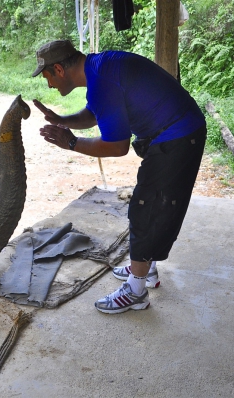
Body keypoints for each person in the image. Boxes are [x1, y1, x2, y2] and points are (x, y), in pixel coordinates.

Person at [32, 40, 207, 315]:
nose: (49, 85)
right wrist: (63, 120)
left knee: (147, 208)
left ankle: (136, 290)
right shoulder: (99, 69)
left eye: (47, 77)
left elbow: (117, 146)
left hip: (178, 135)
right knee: (155, 206)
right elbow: (94, 113)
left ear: (58, 69)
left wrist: (71, 143)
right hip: (177, 129)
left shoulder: (101, 81)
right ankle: (145, 267)